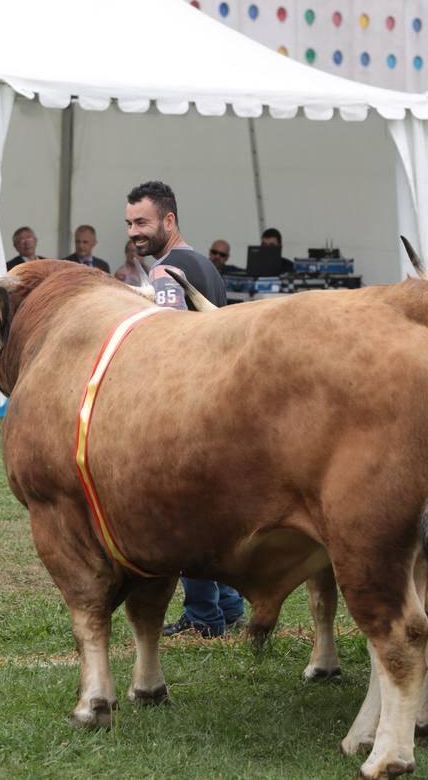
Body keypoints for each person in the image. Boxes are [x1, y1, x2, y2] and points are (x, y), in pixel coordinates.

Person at [125, 180, 244, 638]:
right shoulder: (204, 265)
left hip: (189, 407)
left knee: (186, 512)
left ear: (168, 221)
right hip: (219, 402)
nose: (135, 232)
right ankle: (228, 603)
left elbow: (170, 341)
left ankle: (202, 616)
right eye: (130, 223)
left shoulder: (166, 272)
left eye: (143, 222)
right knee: (208, 512)